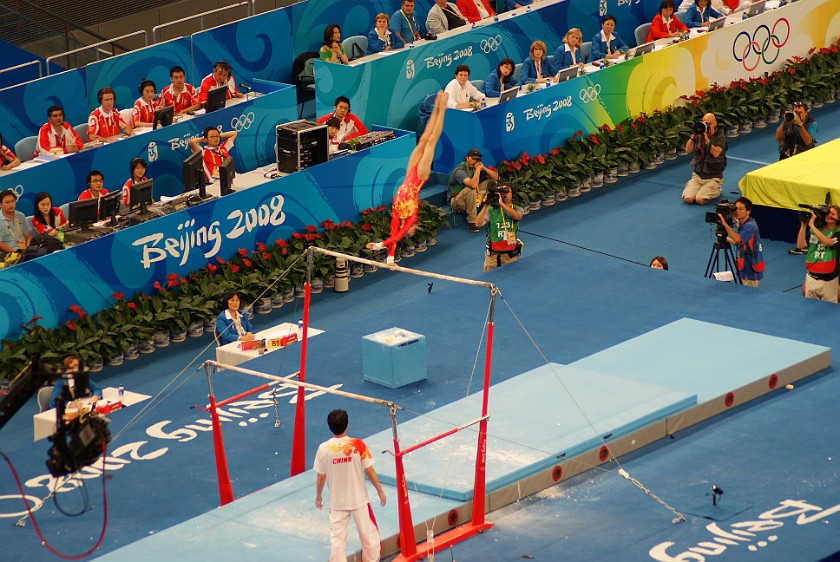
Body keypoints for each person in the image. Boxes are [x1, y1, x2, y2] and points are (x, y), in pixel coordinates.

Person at [365, 92, 448, 264]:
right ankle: (442, 109)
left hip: (410, 172)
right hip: (419, 178)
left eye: (409, 232)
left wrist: (389, 258)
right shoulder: (411, 218)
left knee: (424, 139)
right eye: (411, 232)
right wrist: (381, 247)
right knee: (431, 141)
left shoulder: (397, 214)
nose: (409, 232)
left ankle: (437, 109)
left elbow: (394, 235)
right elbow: (398, 235)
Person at [314, 409, 386, 562]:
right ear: (347, 425)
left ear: (329, 426)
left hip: (337, 501)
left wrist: (319, 496)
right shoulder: (358, 445)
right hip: (358, 499)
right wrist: (379, 490)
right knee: (369, 537)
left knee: (337, 542)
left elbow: (321, 476)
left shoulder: (323, 449)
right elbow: (370, 470)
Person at [474, 181, 524, 272]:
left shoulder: (517, 209)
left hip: (510, 256)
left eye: (507, 191)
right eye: (502, 192)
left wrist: (502, 204)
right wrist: (485, 205)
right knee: (489, 282)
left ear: (513, 194)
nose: (505, 194)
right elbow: (478, 224)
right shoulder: (491, 210)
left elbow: (517, 216)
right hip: (492, 257)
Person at [449, 147, 499, 232]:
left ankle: (492, 213)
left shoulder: (475, 168)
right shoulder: (459, 170)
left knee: (491, 183)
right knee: (471, 190)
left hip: (472, 196)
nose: (474, 161)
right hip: (457, 200)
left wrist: (484, 168)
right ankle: (472, 222)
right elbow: (473, 185)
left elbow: (496, 178)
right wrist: (478, 170)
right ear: (467, 158)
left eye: (477, 160)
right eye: (472, 159)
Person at [796, 206, 840, 302]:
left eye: (833, 214)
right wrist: (803, 225)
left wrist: (811, 225)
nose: (829, 215)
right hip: (811, 276)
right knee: (809, 307)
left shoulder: (838, 231)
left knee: (829, 311)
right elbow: (801, 245)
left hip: (829, 280)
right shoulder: (815, 229)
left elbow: (828, 242)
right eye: (828, 213)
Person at [718, 197, 764, 287]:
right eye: (736, 208)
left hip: (751, 267)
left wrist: (725, 224)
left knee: (748, 296)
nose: (737, 211)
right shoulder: (743, 223)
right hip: (744, 264)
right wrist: (725, 239)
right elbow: (739, 242)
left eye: (741, 209)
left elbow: (738, 239)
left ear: (748, 211)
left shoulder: (749, 226)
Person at [682, 113, 726, 205]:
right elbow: (687, 150)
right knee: (688, 199)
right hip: (697, 176)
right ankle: (695, 188)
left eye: (709, 124)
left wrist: (706, 139)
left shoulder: (720, 137)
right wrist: (693, 137)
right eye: (705, 123)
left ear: (715, 123)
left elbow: (716, 153)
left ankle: (717, 189)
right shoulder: (698, 134)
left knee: (700, 200)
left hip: (713, 177)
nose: (707, 126)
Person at [0, 189, 32, 259]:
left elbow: (28, 236)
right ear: (0, 204)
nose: (11, 204)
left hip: (24, 250)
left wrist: (28, 247)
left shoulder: (21, 215)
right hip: (8, 254)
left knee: (41, 252)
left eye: (12, 201)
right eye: (7, 202)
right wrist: (16, 252)